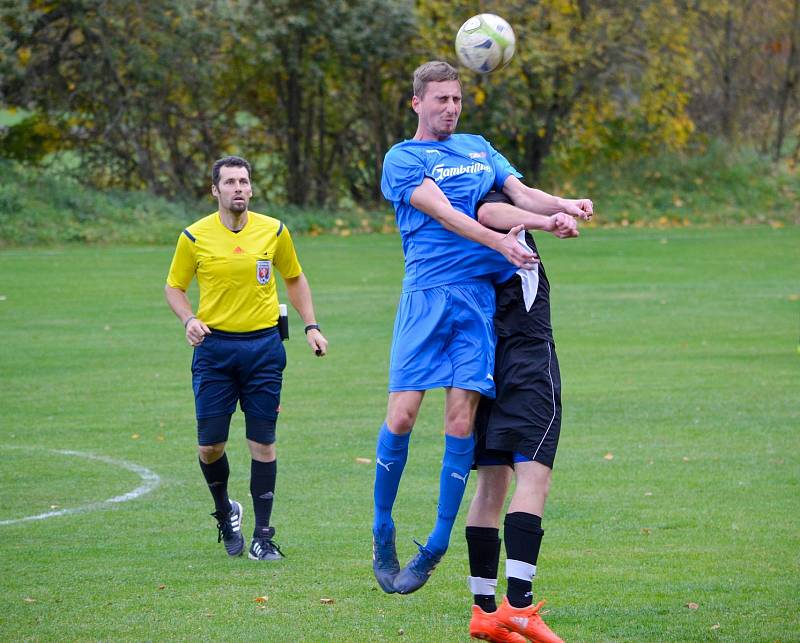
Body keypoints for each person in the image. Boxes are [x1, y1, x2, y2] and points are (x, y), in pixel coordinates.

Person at [372, 61, 591, 596]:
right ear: (417, 103)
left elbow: (517, 193)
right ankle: (382, 528)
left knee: (460, 420)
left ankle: (438, 544)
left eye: (457, 100)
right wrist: (500, 242)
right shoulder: (404, 158)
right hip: (426, 299)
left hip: (475, 304)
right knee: (401, 417)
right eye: (441, 100)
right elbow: (445, 213)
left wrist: (562, 206)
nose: (450, 108)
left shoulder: (478, 146)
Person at [165, 155, 327, 562]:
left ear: (251, 188)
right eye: (230, 182)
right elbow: (174, 287)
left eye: (244, 181)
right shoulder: (194, 237)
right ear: (215, 190)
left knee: (263, 444)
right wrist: (189, 319)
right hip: (214, 351)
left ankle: (262, 537)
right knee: (210, 447)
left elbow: (294, 276)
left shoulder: (273, 231)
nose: (238, 188)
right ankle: (225, 512)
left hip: (264, 350)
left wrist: (311, 326)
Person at [465, 192, 583, 643]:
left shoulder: (460, 227)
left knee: (491, 482)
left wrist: (563, 208)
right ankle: (518, 606)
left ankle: (483, 611)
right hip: (527, 362)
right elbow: (490, 210)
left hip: (481, 363)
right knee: (533, 478)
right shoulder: (493, 204)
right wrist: (549, 220)